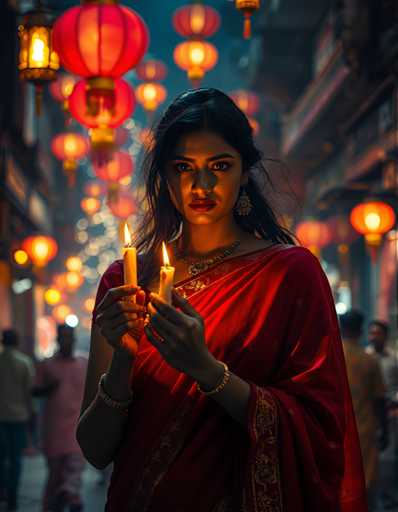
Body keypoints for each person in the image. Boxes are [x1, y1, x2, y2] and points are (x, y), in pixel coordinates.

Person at [77, 88, 367, 511]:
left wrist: (205, 369)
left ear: (245, 171)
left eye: (220, 166)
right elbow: (95, 449)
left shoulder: (290, 274)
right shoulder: (127, 281)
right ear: (164, 176)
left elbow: (320, 429)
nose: (203, 184)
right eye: (184, 167)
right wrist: (124, 358)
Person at [33, 324, 87, 512]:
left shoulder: (84, 363)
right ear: (57, 339)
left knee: (74, 470)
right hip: (54, 430)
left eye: (69, 336)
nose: (66, 340)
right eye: (62, 337)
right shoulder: (47, 365)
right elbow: (34, 391)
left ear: (73, 339)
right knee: (55, 476)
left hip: (77, 430)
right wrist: (49, 388)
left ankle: (71, 496)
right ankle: (56, 503)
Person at [340, 310, 389, 511]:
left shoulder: (331, 356)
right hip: (364, 430)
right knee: (365, 483)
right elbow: (379, 400)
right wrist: (384, 430)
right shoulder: (369, 361)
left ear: (341, 328)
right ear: (361, 331)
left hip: (337, 428)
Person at [0, 329, 34, 511]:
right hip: (18, 417)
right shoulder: (24, 362)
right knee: (16, 459)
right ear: (17, 341)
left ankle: (2, 492)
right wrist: (33, 415)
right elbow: (29, 393)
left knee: (1, 458)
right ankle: (12, 497)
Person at [366, 320, 398, 510]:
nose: (373, 337)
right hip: (370, 415)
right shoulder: (365, 357)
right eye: (371, 333)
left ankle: (389, 496)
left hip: (392, 413)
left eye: (377, 333)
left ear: (385, 335)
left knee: (389, 457)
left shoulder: (393, 359)